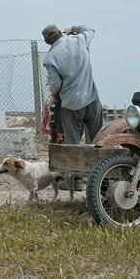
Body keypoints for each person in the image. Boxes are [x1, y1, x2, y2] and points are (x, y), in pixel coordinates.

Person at [41, 24, 103, 190]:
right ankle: (101, 178)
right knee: (98, 139)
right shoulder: (79, 40)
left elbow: (55, 85)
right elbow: (91, 30)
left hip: (71, 105)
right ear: (61, 33)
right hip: (92, 98)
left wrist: (54, 93)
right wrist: (72, 28)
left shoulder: (50, 58)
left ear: (47, 42)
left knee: (72, 142)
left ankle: (74, 181)